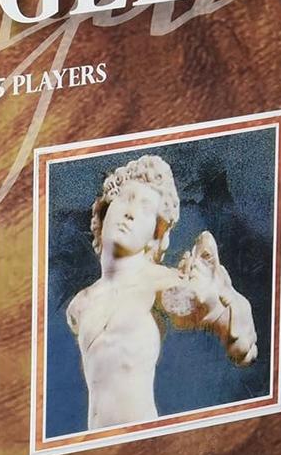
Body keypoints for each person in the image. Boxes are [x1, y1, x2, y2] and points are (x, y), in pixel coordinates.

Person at [66, 153, 258, 431]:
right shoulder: (80, 305)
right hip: (97, 444)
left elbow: (242, 348)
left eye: (145, 209)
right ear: (105, 211)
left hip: (141, 440)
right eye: (126, 199)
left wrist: (216, 298)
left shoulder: (164, 283)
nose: (130, 212)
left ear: (155, 234)